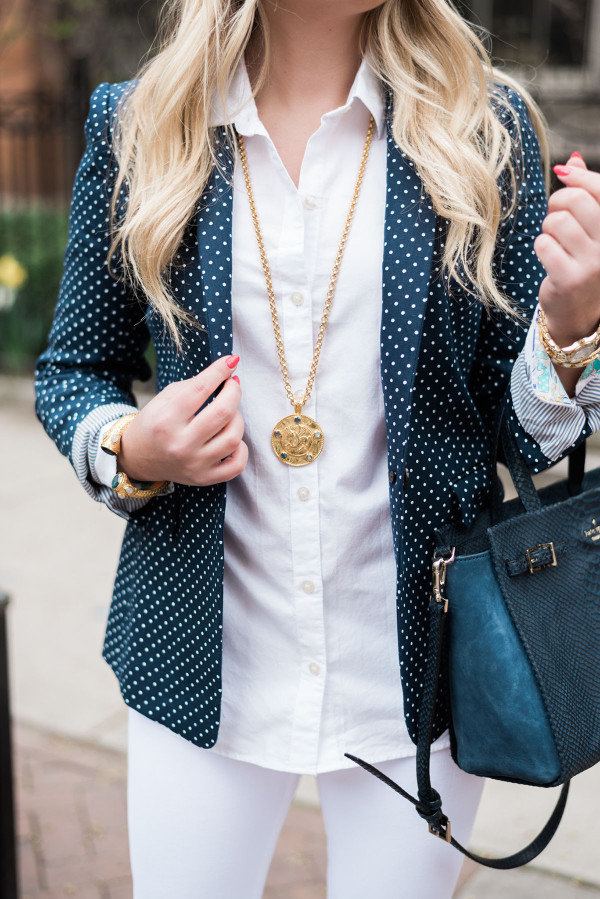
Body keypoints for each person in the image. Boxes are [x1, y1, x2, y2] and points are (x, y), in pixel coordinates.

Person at [34, 0, 600, 896]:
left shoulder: (480, 128)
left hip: (420, 672)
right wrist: (134, 444)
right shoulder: (140, 124)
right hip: (199, 659)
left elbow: (515, 435)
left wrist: (569, 330)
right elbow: (74, 371)